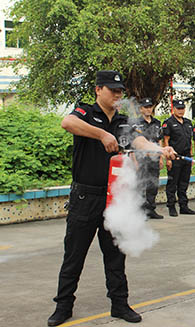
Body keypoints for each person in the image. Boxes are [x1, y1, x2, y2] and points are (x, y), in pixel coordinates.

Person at [48, 70, 176, 326]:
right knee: (74, 256)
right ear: (98, 90)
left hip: (115, 198)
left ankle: (119, 304)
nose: (117, 95)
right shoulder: (84, 113)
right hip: (85, 197)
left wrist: (160, 149)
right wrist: (101, 134)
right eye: (112, 90)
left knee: (116, 255)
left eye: (120, 91)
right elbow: (67, 123)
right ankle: (63, 306)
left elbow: (140, 141)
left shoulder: (123, 122)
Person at [162, 99, 195, 216]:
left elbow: (189, 141)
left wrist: (191, 156)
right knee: (172, 184)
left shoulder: (188, 123)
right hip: (174, 157)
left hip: (186, 157)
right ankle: (171, 206)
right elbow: (165, 141)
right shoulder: (168, 123)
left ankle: (183, 206)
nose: (181, 111)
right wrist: (168, 159)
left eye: (182, 108)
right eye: (178, 108)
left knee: (183, 183)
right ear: (174, 108)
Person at [134, 97, 164, 219]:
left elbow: (159, 140)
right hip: (142, 159)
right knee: (141, 184)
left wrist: (161, 157)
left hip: (154, 159)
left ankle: (151, 209)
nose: (148, 109)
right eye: (145, 107)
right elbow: (133, 142)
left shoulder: (157, 123)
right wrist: (135, 161)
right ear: (141, 109)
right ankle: (141, 212)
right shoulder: (136, 123)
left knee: (153, 185)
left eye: (150, 107)